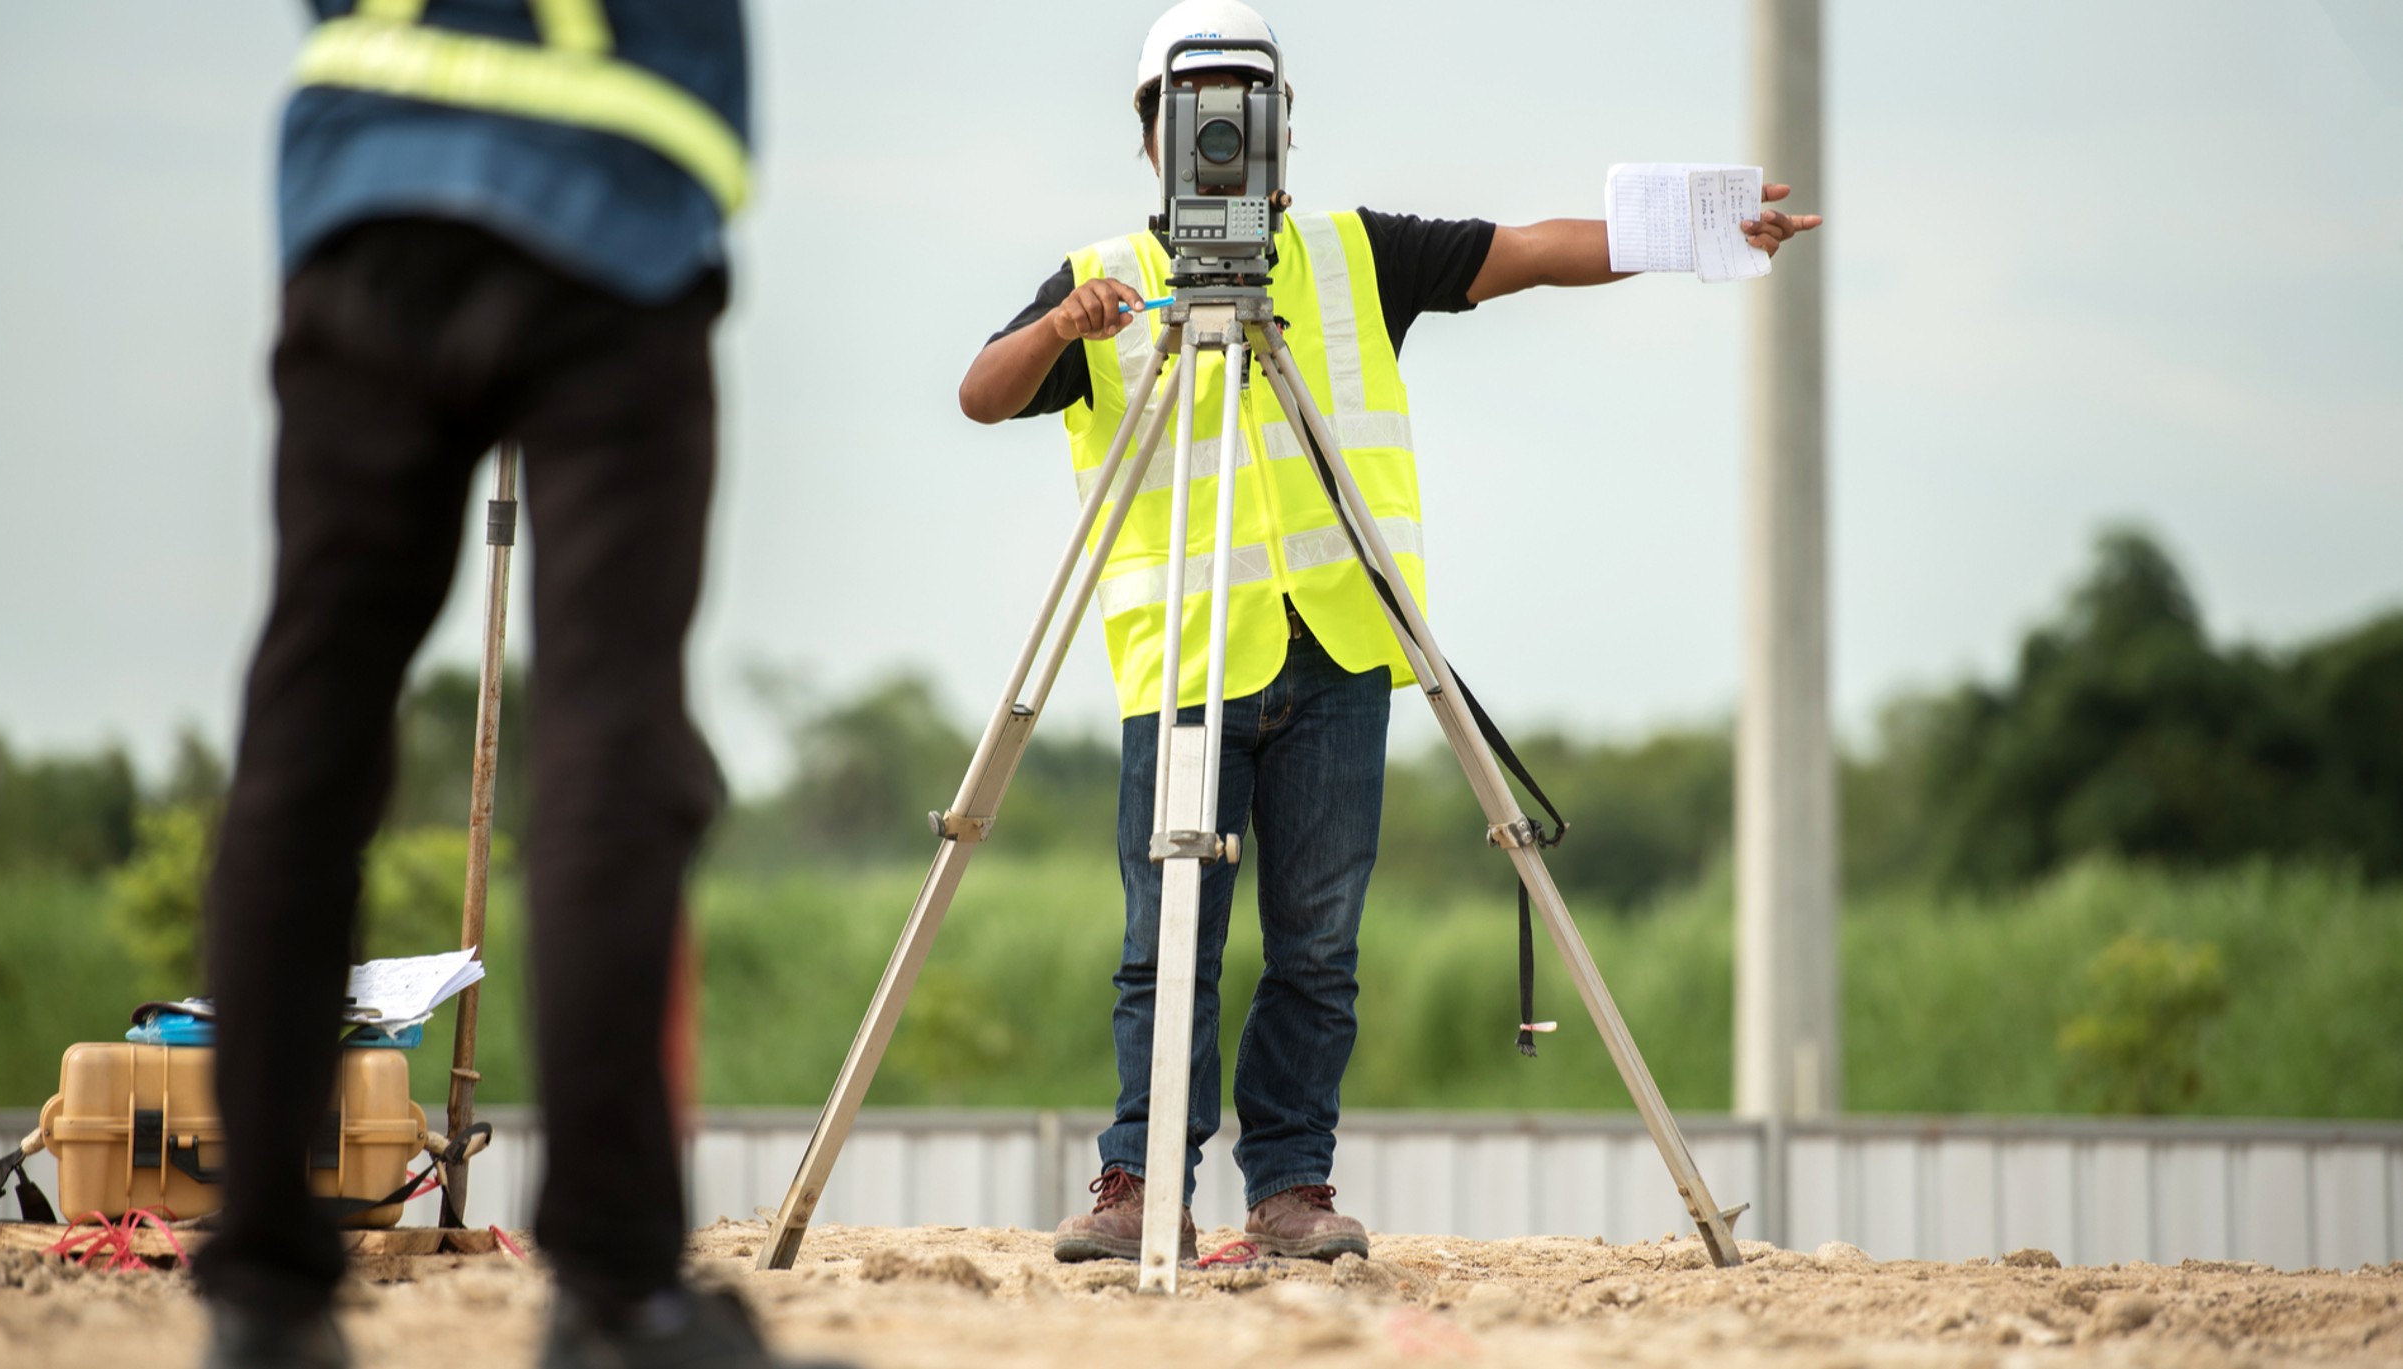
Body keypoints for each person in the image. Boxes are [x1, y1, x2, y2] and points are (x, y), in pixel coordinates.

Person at [957, 0, 1821, 1265]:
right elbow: (982, 393)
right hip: (1187, 668)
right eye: (1197, 116)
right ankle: (1138, 1184)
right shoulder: (1105, 281)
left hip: (1344, 655)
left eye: (1244, 114)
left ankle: (1289, 1190)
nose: (1222, 141)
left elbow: (1525, 250)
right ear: (1151, 134)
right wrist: (1060, 328)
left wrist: (1695, 231)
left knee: (1318, 943)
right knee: (1167, 946)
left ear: (1281, 126)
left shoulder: (1351, 254)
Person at [193, 4, 838, 1367]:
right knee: (610, 734)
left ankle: (260, 1296)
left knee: (307, 732)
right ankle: (610, 1289)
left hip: (365, 179)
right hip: (616, 201)